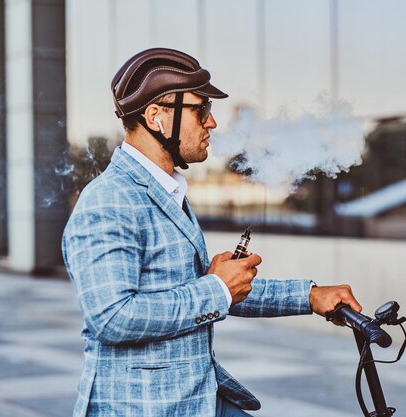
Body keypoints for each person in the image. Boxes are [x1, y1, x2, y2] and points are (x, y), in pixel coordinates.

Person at [62, 47, 362, 417]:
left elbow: (213, 288)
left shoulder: (166, 191)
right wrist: (217, 287)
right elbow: (112, 317)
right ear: (156, 117)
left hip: (195, 400)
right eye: (200, 109)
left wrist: (309, 296)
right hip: (142, 407)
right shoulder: (110, 201)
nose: (212, 123)